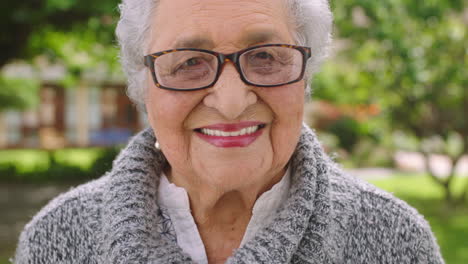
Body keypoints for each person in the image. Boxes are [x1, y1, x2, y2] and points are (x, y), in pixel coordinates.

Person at [14, 0, 444, 263]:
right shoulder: (59, 236)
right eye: (189, 62)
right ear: (143, 86)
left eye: (265, 57)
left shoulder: (393, 236)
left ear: (305, 77)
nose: (232, 100)